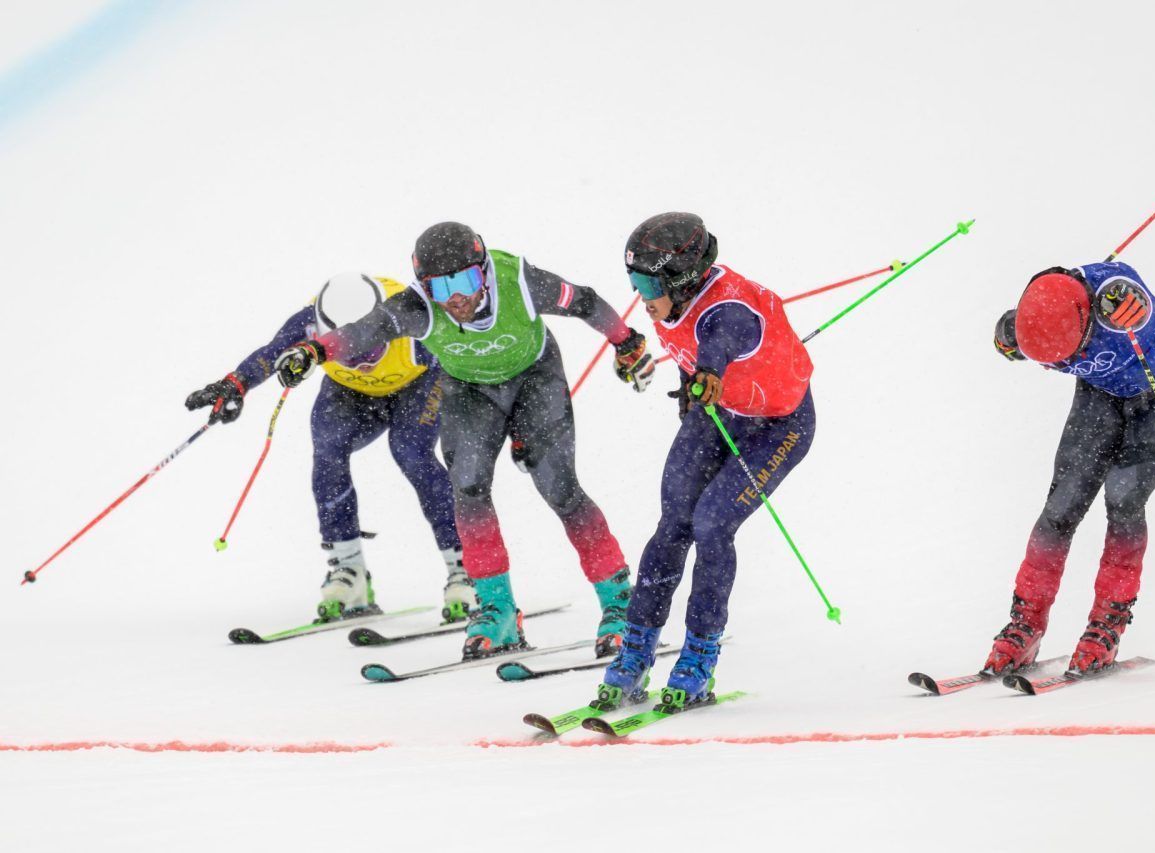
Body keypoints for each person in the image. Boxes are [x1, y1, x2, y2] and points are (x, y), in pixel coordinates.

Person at [272, 222, 656, 659]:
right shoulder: (418, 307)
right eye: (439, 286)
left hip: (534, 378)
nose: (455, 296)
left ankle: (620, 602)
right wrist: (315, 352)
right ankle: (496, 609)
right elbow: (365, 330)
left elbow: (584, 300)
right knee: (468, 489)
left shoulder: (518, 281)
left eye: (466, 280)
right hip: (470, 390)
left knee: (559, 488)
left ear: (485, 272)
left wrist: (626, 342)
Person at [599, 212, 817, 708]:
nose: (640, 293)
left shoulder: (730, 310)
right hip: (718, 412)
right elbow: (691, 348)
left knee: (712, 524)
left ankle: (699, 659)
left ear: (680, 277)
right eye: (633, 279)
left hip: (778, 428)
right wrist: (690, 384)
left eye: (648, 282)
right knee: (672, 524)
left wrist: (709, 371)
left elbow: (721, 336)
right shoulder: (671, 302)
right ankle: (635, 653)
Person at [186, 272, 470, 623]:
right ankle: (348, 571)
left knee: (410, 451)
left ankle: (465, 567)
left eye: (370, 349)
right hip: (351, 394)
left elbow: (464, 356)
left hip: (417, 386)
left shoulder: (410, 318)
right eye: (348, 355)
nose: (363, 363)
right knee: (327, 447)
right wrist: (233, 386)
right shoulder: (311, 323)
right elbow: (271, 352)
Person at [984, 262, 1155, 677]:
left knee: (1123, 496)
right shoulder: (1039, 313)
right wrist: (1007, 338)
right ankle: (1024, 625)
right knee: (1061, 505)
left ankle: (1107, 627)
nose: (1059, 365)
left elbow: (1132, 289)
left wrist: (1138, 310)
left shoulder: (1119, 301)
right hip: (1102, 394)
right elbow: (1017, 338)